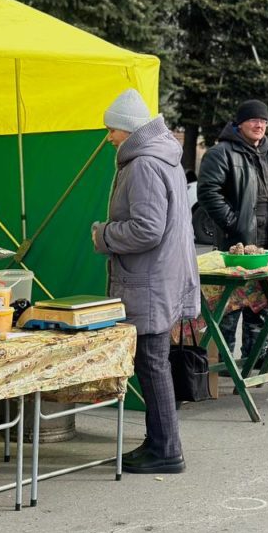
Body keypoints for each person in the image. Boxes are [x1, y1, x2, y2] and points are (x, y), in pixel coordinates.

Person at [92, 89, 200, 474]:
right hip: (163, 276)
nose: (109, 139)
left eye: (111, 131)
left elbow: (147, 229)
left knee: (152, 364)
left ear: (127, 129)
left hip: (149, 280)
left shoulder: (142, 165)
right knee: (155, 362)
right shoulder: (164, 158)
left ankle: (167, 450)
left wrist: (104, 234)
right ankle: (158, 441)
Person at [196, 99, 268, 369]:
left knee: (262, 299)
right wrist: (234, 223)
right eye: (254, 120)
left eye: (264, 121)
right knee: (230, 303)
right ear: (239, 123)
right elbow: (208, 192)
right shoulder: (221, 153)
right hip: (236, 242)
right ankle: (224, 360)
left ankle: (257, 353)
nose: (259, 125)